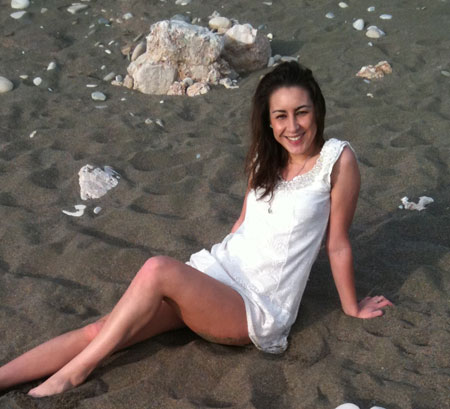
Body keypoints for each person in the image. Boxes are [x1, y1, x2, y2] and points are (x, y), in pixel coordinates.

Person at [0, 61, 392, 397]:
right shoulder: (266, 157)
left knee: (157, 269)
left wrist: (352, 307)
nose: (293, 126)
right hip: (216, 277)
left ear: (317, 110)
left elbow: (337, 244)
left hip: (255, 306)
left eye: (301, 112)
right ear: (268, 119)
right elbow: (244, 223)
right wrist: (205, 276)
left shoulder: (337, 160)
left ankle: (75, 372)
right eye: (281, 116)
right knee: (101, 330)